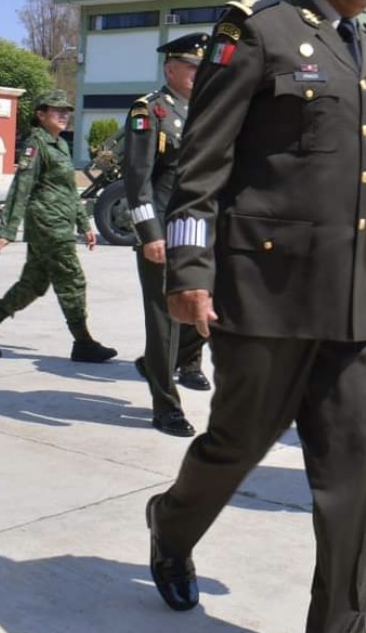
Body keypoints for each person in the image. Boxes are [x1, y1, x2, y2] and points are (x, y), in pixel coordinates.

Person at [144, 0, 366, 630]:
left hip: (351, 303)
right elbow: (201, 164)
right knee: (234, 444)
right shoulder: (260, 31)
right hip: (264, 294)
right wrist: (189, 273)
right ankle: (172, 525)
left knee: (350, 478)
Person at [0, 90, 116, 363]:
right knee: (72, 279)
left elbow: (69, 190)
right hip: (48, 224)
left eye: (66, 111)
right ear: (40, 114)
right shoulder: (36, 144)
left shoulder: (60, 144)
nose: (64, 115)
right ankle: (83, 342)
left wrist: (84, 224)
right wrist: (6, 231)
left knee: (33, 284)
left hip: (61, 221)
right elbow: (21, 187)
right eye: (56, 110)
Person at [122, 33, 211, 438]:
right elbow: (137, 181)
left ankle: (178, 360)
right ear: (170, 69)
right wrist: (149, 234)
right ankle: (165, 404)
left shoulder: (205, 110)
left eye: (200, 67)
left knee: (208, 306)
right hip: (162, 228)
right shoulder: (150, 112)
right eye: (191, 67)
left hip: (198, 229)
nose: (197, 73)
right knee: (164, 321)